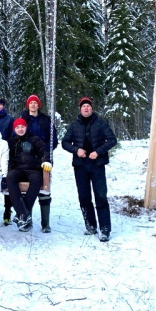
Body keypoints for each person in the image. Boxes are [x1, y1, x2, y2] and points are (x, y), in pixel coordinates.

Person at [61, 97, 117, 242]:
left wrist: (98, 152)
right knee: (84, 197)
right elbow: (65, 142)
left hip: (97, 164)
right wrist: (76, 149)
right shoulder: (74, 125)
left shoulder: (100, 123)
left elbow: (112, 140)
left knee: (101, 197)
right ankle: (91, 225)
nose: (86, 108)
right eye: (83, 106)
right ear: (80, 109)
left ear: (92, 108)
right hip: (80, 165)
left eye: (88, 106)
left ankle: (105, 229)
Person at [20, 94, 58, 233]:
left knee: (45, 187)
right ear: (28, 105)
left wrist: (45, 152)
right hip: (27, 158)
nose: (33, 105)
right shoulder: (23, 119)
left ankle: (45, 223)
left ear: (38, 105)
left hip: (43, 157)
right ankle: (27, 220)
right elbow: (19, 136)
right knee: (27, 188)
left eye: (35, 103)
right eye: (31, 103)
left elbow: (53, 138)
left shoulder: (46, 120)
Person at [7, 117, 49, 232]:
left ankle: (21, 214)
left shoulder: (34, 139)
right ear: (14, 129)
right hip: (18, 169)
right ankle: (24, 214)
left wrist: (46, 160)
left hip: (33, 169)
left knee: (36, 179)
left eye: (22, 127)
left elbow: (44, 150)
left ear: (26, 127)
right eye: (17, 127)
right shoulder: (11, 142)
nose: (20, 129)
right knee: (10, 177)